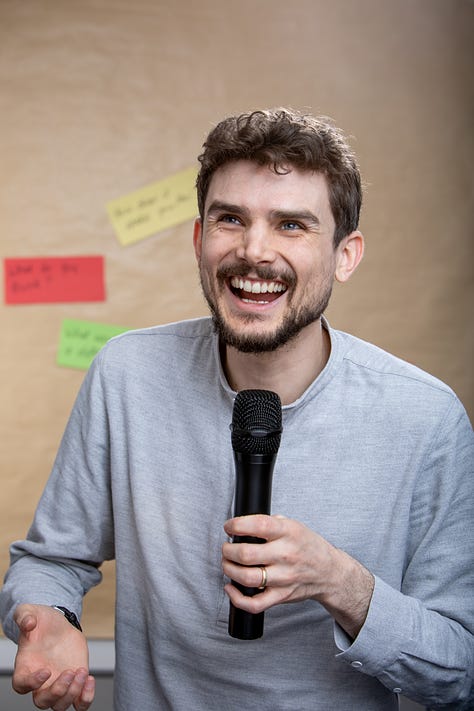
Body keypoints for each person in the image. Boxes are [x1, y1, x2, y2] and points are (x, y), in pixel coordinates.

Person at [0, 108, 473, 711]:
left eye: (292, 225)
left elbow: (461, 673)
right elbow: (50, 560)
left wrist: (341, 582)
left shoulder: (426, 418)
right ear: (200, 238)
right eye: (230, 219)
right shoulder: (125, 375)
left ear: (345, 255)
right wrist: (48, 617)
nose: (254, 251)